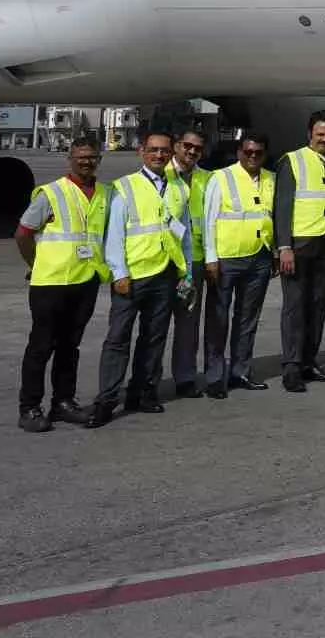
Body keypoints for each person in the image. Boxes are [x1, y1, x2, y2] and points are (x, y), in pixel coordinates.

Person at [86, 131, 193, 427]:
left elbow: (183, 234)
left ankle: (143, 392)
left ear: (171, 153)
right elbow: (114, 235)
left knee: (154, 337)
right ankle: (107, 400)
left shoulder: (178, 188)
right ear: (142, 152)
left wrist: (187, 272)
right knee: (118, 339)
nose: (159, 155)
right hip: (132, 276)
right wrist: (119, 272)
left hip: (165, 273)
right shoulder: (124, 187)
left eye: (164, 151)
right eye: (153, 150)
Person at [13, 138, 109, 432]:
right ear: (70, 159)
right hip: (51, 282)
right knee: (41, 347)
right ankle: (29, 408)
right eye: (80, 157)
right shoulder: (51, 193)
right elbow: (23, 234)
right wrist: (36, 264)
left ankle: (63, 403)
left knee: (70, 346)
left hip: (85, 279)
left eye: (91, 157)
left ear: (98, 160)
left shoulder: (104, 193)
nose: (86, 162)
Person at [274, 110, 325, 393]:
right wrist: (284, 247)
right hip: (299, 244)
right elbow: (282, 207)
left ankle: (309, 361)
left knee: (318, 305)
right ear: (309, 135)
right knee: (295, 307)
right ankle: (291, 367)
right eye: (320, 135)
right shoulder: (292, 161)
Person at [202, 132, 276, 398]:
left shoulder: (270, 179)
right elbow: (209, 219)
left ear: (265, 154)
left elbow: (271, 217)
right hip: (226, 258)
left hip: (259, 257)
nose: (253, 156)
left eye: (258, 152)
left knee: (247, 319)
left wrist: (275, 252)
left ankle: (240, 371)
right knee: (218, 319)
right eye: (248, 152)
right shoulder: (220, 178)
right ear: (239, 152)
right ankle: (214, 376)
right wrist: (211, 257)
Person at [167, 128, 212, 398]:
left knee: (188, 323)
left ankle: (184, 377)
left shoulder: (208, 178)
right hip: (162, 262)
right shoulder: (161, 174)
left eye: (197, 148)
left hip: (194, 261)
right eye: (187, 146)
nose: (191, 151)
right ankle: (146, 381)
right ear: (176, 146)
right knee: (156, 325)